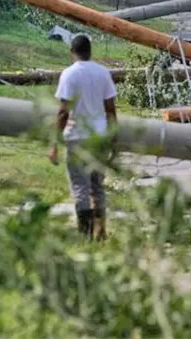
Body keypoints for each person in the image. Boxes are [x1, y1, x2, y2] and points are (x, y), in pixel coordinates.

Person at [49, 34, 118, 241]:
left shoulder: (69, 74)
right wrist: (113, 140)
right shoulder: (103, 73)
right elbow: (111, 110)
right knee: (97, 186)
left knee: (81, 187)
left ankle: (85, 235)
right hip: (99, 137)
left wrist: (54, 143)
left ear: (72, 52)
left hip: (77, 137)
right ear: (90, 52)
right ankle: (101, 231)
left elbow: (63, 112)